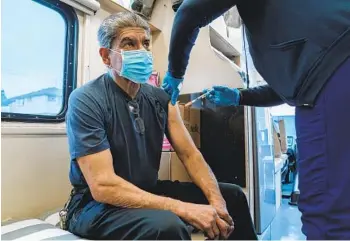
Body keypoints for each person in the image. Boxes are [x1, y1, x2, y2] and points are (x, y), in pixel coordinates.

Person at [162, 0, 350, 239]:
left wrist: (175, 73)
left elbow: (190, 12)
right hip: (333, 74)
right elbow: (286, 89)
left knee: (328, 217)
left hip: (333, 77)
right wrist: (239, 96)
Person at [64, 11, 257, 240]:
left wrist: (217, 201)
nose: (142, 51)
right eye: (129, 43)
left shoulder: (161, 99)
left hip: (146, 189)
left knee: (232, 196)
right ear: (106, 56)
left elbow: (190, 155)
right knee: (167, 225)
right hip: (95, 205)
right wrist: (182, 208)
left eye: (145, 43)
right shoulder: (86, 100)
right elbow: (103, 185)